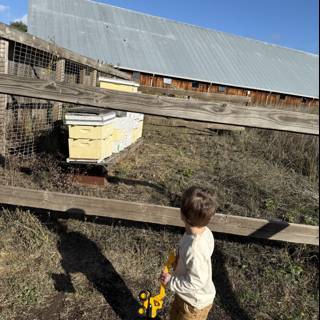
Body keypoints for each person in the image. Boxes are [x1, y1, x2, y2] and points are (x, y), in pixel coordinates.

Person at [160, 186, 218, 320]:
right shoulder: (203, 231)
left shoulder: (195, 248)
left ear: (182, 215)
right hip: (185, 294)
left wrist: (171, 282)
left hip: (194, 304)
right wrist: (179, 260)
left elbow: (197, 282)